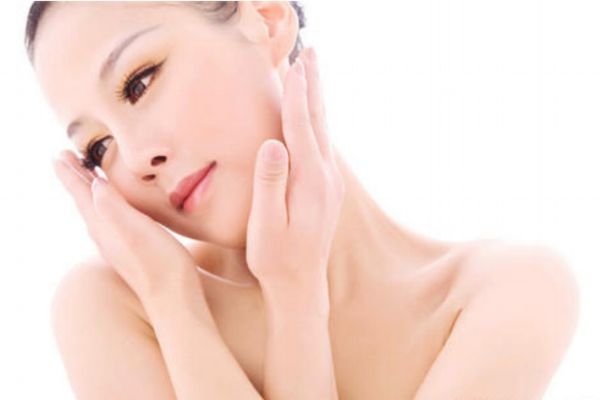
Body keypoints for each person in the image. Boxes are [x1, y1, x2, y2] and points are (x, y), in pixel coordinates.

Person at [25, 2, 580, 399]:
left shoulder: (505, 292)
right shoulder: (115, 308)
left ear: (266, 20)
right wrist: (176, 307)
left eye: (140, 82)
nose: (136, 156)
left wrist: (296, 298)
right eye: (98, 148)